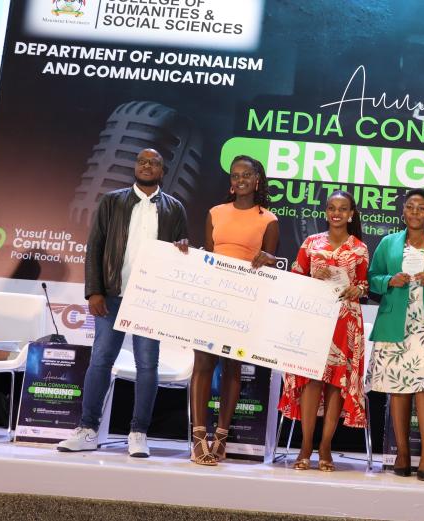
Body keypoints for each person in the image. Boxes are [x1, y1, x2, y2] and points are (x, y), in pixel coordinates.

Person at [57, 148, 189, 457]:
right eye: (142, 161)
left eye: (153, 162)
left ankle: (138, 433)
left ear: (162, 170)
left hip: (150, 298)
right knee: (101, 360)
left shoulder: (174, 208)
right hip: (112, 294)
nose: (146, 166)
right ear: (135, 166)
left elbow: (182, 251)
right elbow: (95, 248)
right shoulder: (112, 201)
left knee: (147, 365)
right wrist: (94, 291)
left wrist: (184, 248)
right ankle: (87, 430)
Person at [367, 188, 424, 481]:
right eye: (411, 207)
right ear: (404, 211)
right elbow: (372, 278)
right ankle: (403, 453)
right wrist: (388, 280)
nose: (416, 212)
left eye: (421, 208)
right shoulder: (388, 243)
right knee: (399, 390)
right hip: (396, 326)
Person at [189, 155, 279, 466]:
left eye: (246, 175)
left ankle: (221, 438)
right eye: (235, 175)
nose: (240, 179)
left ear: (257, 180)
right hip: (212, 299)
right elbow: (208, 256)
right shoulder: (215, 213)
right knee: (202, 363)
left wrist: (269, 259)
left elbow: (272, 264)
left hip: (245, 302)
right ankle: (199, 439)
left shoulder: (268, 219)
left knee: (232, 368)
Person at [278, 191, 369, 472]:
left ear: (351, 214)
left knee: (335, 384)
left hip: (345, 322)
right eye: (332, 208)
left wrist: (357, 289)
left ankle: (325, 446)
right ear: (326, 212)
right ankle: (305, 446)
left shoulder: (359, 248)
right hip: (313, 319)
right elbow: (295, 276)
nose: (337, 213)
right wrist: (310, 279)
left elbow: (364, 285)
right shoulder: (311, 243)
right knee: (311, 381)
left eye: (343, 209)